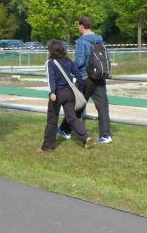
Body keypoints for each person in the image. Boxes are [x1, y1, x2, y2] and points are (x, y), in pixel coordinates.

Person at [59, 16, 112, 144]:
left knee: (77, 104)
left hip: (85, 77)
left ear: (82, 26)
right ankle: (105, 135)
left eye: (78, 25)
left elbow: (80, 62)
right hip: (100, 76)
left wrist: (69, 67)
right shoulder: (99, 40)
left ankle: (65, 130)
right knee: (103, 106)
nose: (78, 28)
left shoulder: (82, 41)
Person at [38, 40, 94, 152]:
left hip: (58, 94)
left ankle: (48, 146)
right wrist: (79, 90)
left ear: (51, 50)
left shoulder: (50, 63)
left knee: (52, 120)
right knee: (72, 118)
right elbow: (79, 76)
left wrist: (52, 92)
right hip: (70, 93)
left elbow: (51, 79)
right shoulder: (69, 61)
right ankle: (86, 137)